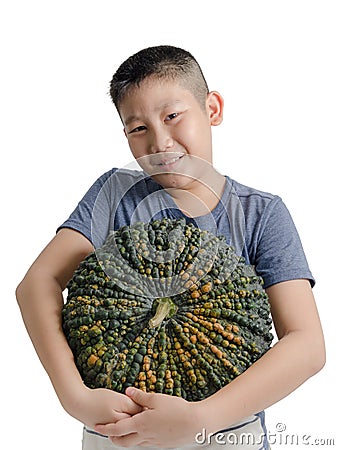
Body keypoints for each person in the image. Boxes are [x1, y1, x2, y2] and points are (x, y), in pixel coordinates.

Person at [16, 45, 325, 450]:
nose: (160, 142)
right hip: (118, 434)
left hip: (226, 434)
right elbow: (38, 282)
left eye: (172, 116)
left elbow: (307, 344)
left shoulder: (260, 213)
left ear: (212, 109)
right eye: (138, 128)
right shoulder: (115, 194)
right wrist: (75, 397)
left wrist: (201, 417)